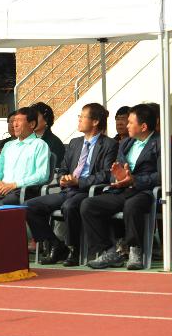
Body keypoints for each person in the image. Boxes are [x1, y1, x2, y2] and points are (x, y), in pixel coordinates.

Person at [25, 103, 118, 266]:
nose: (79, 120)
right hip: (67, 189)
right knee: (30, 206)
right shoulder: (75, 143)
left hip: (88, 191)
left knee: (69, 206)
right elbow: (64, 167)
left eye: (83, 117)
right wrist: (62, 178)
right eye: (79, 117)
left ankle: (74, 249)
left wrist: (79, 181)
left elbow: (106, 174)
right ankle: (55, 244)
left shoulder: (109, 144)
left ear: (95, 122)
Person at [83, 104, 160, 270]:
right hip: (121, 188)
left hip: (144, 190)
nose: (127, 126)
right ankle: (110, 251)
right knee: (89, 205)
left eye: (131, 122)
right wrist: (117, 176)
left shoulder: (160, 144)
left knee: (131, 205)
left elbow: (162, 176)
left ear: (144, 126)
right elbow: (116, 167)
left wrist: (134, 180)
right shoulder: (126, 143)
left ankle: (134, 249)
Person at [0, 107, 50, 207]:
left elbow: (42, 175)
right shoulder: (8, 145)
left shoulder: (40, 145)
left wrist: (14, 185)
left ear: (32, 124)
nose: (14, 125)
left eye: (19, 121)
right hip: (0, 191)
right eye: (14, 121)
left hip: (23, 192)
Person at [31, 101, 65, 168]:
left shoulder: (55, 143)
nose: (32, 120)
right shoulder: (28, 139)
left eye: (35, 117)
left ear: (46, 120)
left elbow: (54, 169)